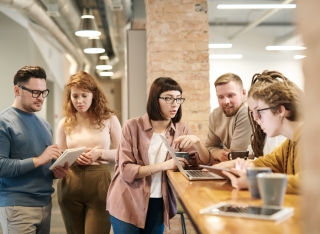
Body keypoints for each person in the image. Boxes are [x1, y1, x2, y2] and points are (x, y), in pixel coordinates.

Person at [107, 77, 213, 233]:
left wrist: (197, 142)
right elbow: (127, 170)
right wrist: (165, 165)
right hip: (127, 200)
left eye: (178, 99)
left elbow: (204, 163)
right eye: (168, 98)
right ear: (155, 100)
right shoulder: (132, 126)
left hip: (158, 203)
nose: (175, 103)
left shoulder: (181, 129)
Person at [0, 66, 68, 234]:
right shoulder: (4, 122)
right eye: (35, 92)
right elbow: (1, 166)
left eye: (44, 92)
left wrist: (55, 171)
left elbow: (42, 165)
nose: (41, 98)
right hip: (18, 207)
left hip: (45, 204)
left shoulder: (44, 125)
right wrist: (39, 160)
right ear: (17, 89)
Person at [56, 71, 121, 234]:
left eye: (84, 95)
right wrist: (72, 158)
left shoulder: (109, 119)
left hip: (100, 182)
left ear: (94, 94)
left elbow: (123, 153)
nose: (79, 101)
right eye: (75, 96)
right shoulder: (65, 123)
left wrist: (100, 154)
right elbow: (59, 157)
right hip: (71, 182)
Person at [221, 70, 303, 194]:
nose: (255, 118)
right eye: (252, 113)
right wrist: (229, 166)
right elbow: (267, 162)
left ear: (280, 110)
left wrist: (255, 182)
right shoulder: (291, 142)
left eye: (259, 111)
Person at [205, 73, 252, 161]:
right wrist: (217, 153)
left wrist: (215, 152)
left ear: (243, 93)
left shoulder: (247, 111)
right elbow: (208, 147)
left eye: (231, 95)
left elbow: (235, 155)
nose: (226, 101)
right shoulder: (216, 114)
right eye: (221, 97)